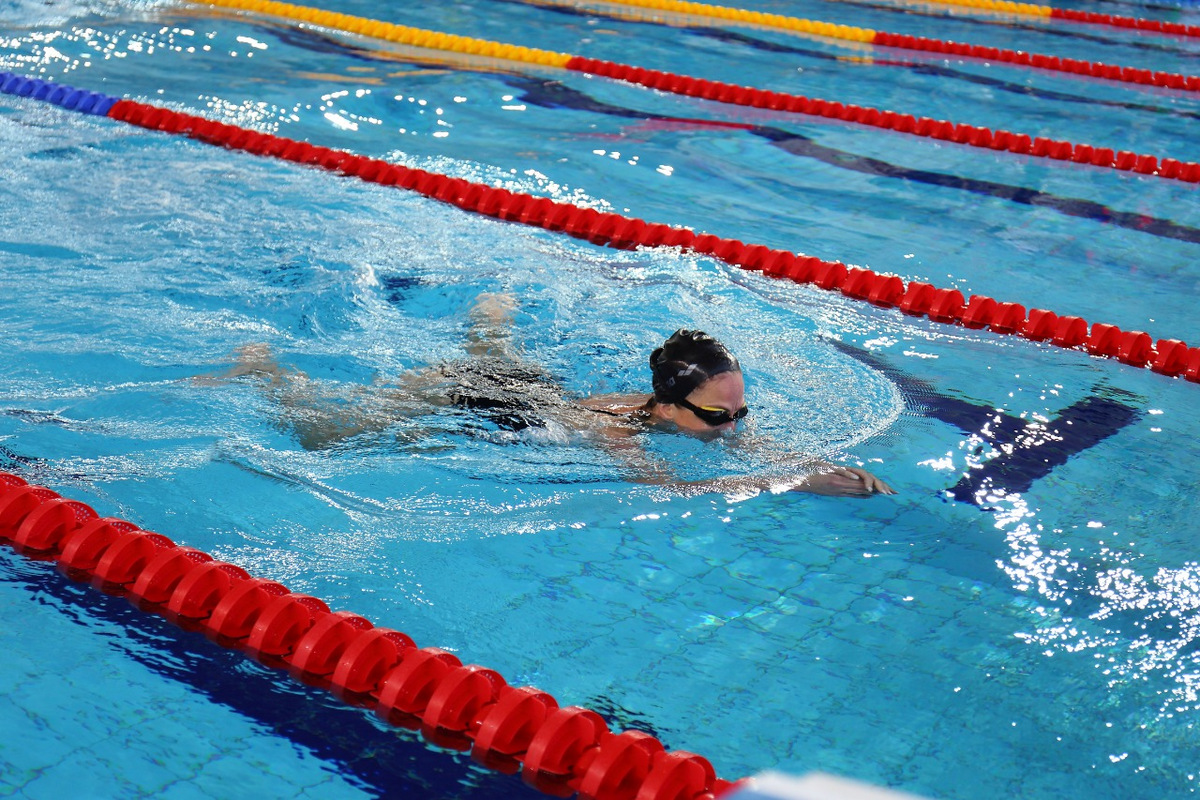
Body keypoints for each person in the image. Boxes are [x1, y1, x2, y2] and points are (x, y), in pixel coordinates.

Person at [213, 293, 895, 499]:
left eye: (741, 412)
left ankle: (490, 323)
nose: (733, 426)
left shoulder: (682, 411)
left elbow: (753, 447)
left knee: (505, 362)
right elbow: (673, 491)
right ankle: (261, 369)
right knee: (322, 435)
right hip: (478, 401)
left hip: (535, 396)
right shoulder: (622, 434)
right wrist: (793, 484)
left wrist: (810, 464)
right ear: (669, 407)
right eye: (720, 416)